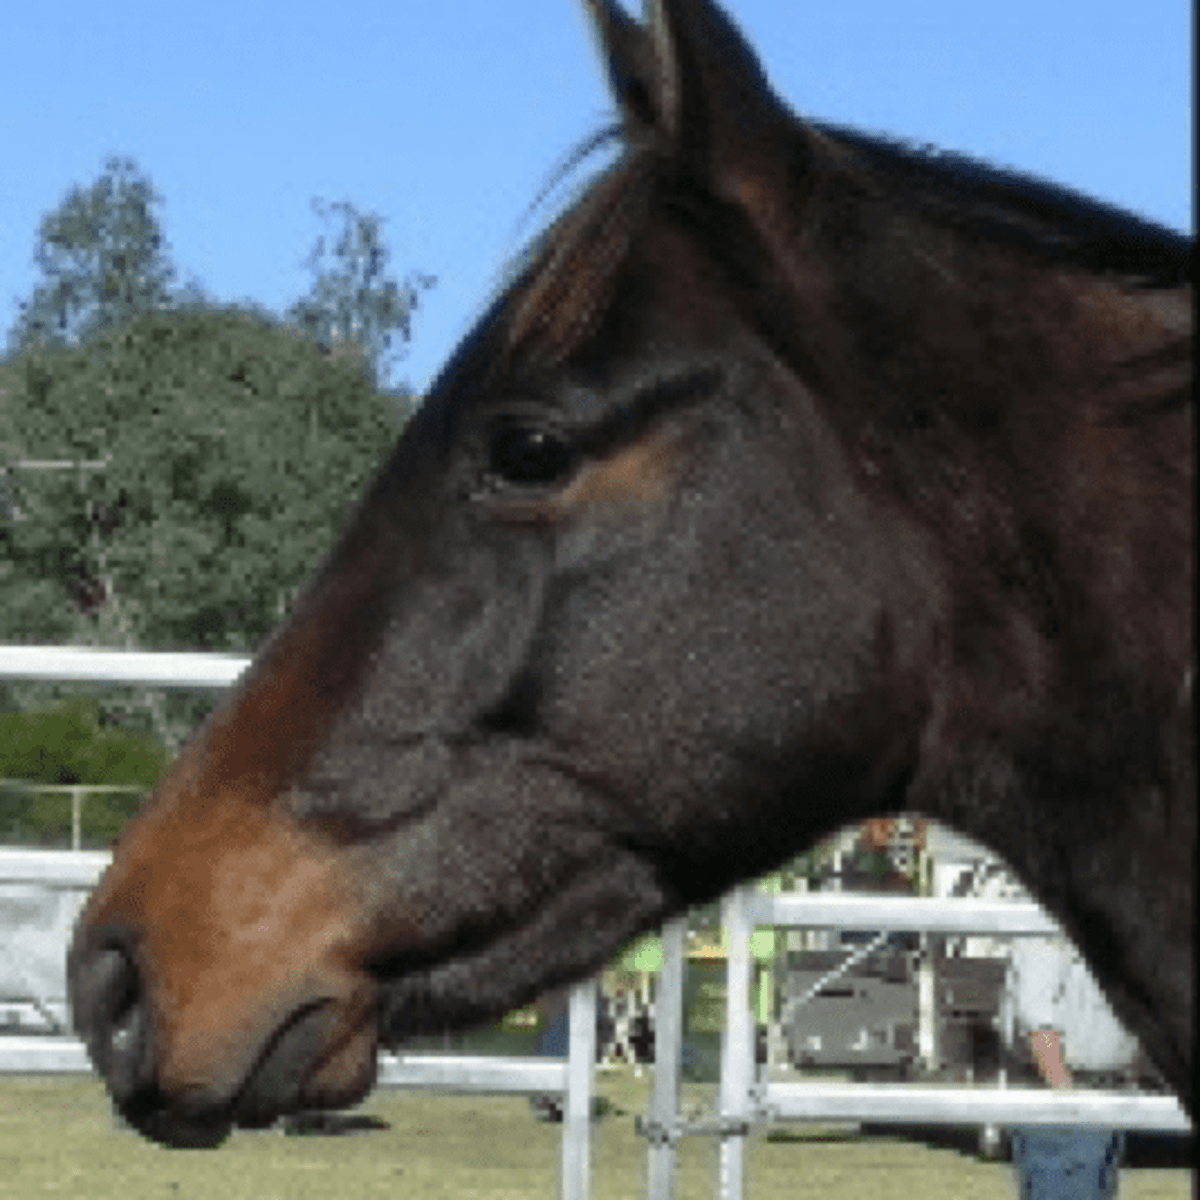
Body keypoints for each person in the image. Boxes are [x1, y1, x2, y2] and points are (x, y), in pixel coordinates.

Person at [1008, 936, 1138, 1198]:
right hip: (1066, 1101)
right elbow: (1038, 1024)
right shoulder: (1047, 925)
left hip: (1100, 1098)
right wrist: (1068, 1103)